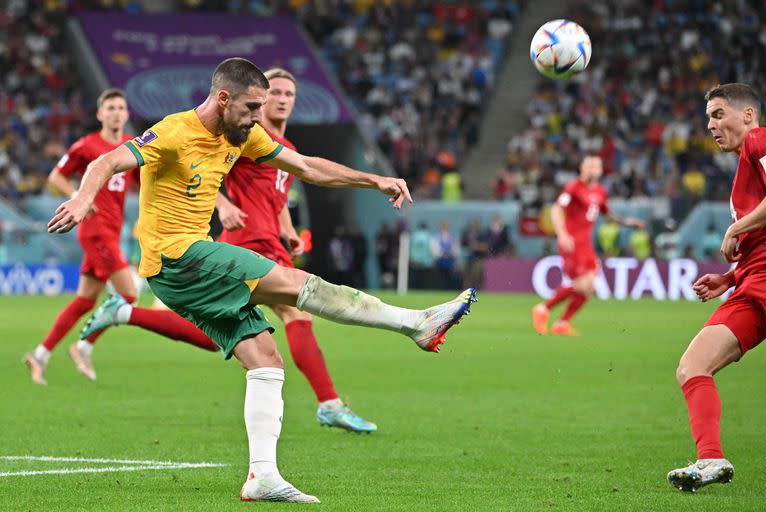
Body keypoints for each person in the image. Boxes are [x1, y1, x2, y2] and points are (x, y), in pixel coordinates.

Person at [48, 58, 475, 503]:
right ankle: (415, 323)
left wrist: (375, 180)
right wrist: (81, 199)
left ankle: (262, 477)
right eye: (253, 107)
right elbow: (107, 160)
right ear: (224, 98)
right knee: (295, 285)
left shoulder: (245, 133)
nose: (260, 117)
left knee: (267, 359)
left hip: (188, 264)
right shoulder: (173, 131)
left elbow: (307, 167)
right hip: (177, 256)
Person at [215, 68, 377, 433]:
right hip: (249, 242)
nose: (283, 99)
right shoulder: (247, 135)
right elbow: (201, 168)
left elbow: (277, 199)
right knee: (296, 315)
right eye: (277, 93)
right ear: (261, 98)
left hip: (271, 241)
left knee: (217, 327)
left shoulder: (285, 150)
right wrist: (222, 205)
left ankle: (125, 313)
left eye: (290, 94)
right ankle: (329, 403)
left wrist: (288, 230)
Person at [23, 89, 217, 385]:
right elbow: (55, 177)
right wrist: (78, 196)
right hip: (95, 230)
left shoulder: (132, 147)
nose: (115, 112)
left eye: (120, 108)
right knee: (127, 294)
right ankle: (83, 346)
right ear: (100, 114)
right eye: (110, 108)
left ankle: (40, 355)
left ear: (126, 114)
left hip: (113, 231)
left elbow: (147, 181)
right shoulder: (86, 145)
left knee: (86, 300)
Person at [667, 83, 766, 492]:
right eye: (708, 117)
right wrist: (728, 277)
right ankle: (711, 459)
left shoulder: (760, 140)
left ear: (747, 115)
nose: (710, 124)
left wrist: (735, 227)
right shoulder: (748, 161)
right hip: (753, 282)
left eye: (718, 113)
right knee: (693, 367)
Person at [531, 155, 644, 336]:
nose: (592, 169)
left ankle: (562, 323)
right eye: (589, 166)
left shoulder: (600, 191)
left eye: (595, 166)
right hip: (572, 243)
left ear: (600, 170)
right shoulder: (573, 188)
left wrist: (627, 223)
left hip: (586, 245)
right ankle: (543, 308)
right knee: (582, 284)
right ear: (582, 168)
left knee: (589, 287)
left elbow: (607, 214)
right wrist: (562, 234)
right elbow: (556, 209)